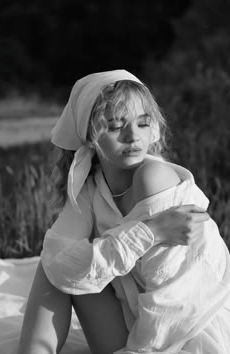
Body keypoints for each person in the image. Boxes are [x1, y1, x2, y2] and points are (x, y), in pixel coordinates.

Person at [17, 69, 219, 354]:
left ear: (154, 128)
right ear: (89, 136)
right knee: (56, 260)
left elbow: (178, 300)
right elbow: (57, 261)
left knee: (63, 260)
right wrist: (150, 232)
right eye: (115, 126)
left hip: (188, 334)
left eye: (142, 123)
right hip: (133, 320)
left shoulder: (154, 178)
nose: (132, 136)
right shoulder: (91, 187)